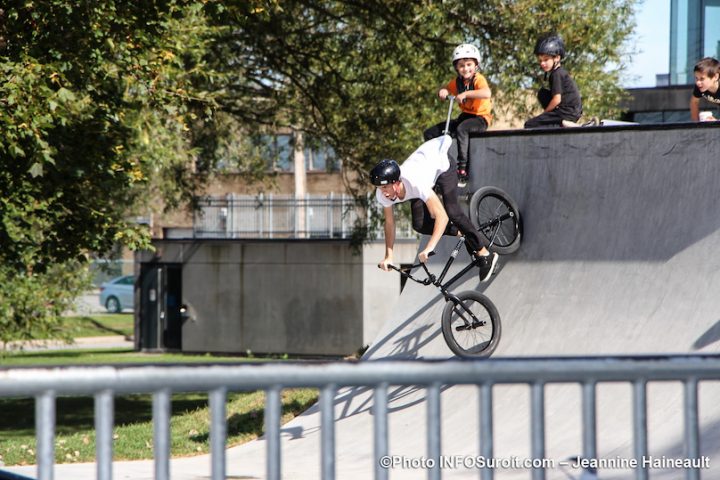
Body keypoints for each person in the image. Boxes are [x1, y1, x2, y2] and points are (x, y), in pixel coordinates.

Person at [370, 135, 499, 282]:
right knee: (419, 224)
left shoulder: (415, 182)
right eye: (380, 188)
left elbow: (441, 216)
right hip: (425, 169)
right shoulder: (382, 194)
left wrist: (430, 247)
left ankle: (484, 253)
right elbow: (389, 223)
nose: (383, 192)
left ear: (396, 183)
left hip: (442, 166)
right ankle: (464, 232)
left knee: (452, 212)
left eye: (385, 187)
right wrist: (389, 256)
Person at [423, 44, 492, 186]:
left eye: (469, 65)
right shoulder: (457, 82)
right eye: (461, 66)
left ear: (476, 65)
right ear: (456, 68)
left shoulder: (478, 80)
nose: (466, 69)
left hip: (480, 118)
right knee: (430, 133)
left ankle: (462, 169)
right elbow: (446, 89)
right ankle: (438, 166)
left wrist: (466, 94)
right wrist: (443, 92)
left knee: (462, 129)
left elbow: (486, 93)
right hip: (465, 116)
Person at [524, 34, 585, 129]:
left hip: (567, 112)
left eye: (546, 60)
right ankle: (561, 123)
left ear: (557, 58)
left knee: (530, 125)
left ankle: (566, 124)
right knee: (542, 93)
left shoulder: (556, 74)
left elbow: (557, 99)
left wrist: (545, 114)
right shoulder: (559, 72)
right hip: (571, 111)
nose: (542, 63)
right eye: (540, 61)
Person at [690, 57, 720, 121]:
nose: (698, 82)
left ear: (715, 77)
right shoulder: (700, 86)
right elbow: (694, 102)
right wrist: (696, 124)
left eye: (702, 79)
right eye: (696, 78)